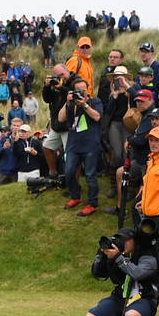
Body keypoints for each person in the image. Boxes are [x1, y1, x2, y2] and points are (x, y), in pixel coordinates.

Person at [86, 225, 159, 316]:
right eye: (120, 239)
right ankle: (121, 315)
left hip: (143, 298)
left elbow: (137, 274)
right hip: (120, 297)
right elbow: (99, 274)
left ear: (134, 240)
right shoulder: (118, 255)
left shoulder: (147, 256)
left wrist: (118, 257)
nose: (122, 242)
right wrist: (102, 256)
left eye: (126, 240)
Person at [58, 77, 104, 215]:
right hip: (73, 144)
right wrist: (67, 102)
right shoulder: (71, 104)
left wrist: (84, 105)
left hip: (90, 144)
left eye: (83, 89)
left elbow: (97, 117)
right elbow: (60, 118)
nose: (81, 92)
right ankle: (75, 196)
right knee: (69, 172)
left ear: (88, 89)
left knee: (90, 175)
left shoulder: (95, 101)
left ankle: (92, 203)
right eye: (78, 90)